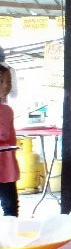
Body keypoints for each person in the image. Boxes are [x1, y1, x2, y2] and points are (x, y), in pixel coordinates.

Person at [0, 65, 19, 216]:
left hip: (6, 165)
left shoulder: (8, 111)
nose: (6, 85)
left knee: (11, 205)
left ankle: (10, 228)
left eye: (9, 81)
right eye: (1, 81)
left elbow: (12, 138)